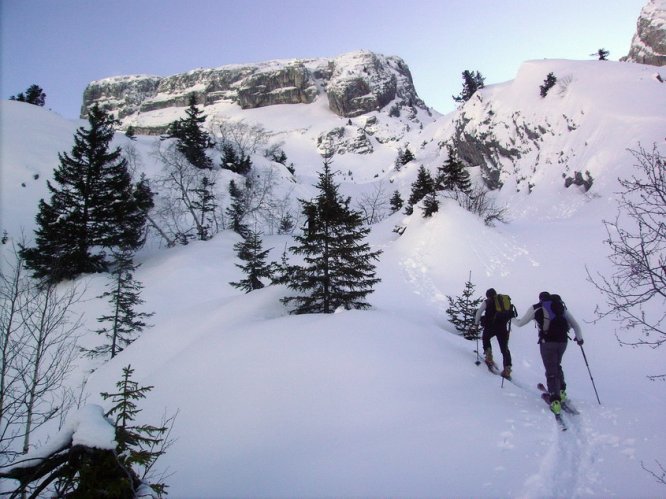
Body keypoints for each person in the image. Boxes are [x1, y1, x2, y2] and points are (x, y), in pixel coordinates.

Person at [513, 291, 583, 416]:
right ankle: (561, 391)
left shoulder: (536, 307)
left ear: (540, 299)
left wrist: (511, 318)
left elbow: (520, 323)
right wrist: (580, 339)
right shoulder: (560, 307)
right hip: (563, 342)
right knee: (557, 365)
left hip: (547, 343)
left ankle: (555, 400)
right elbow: (575, 325)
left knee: (551, 371)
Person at [474, 288, 512, 378]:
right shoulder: (503, 301)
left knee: (486, 338)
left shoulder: (487, 301)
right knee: (504, 348)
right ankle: (507, 368)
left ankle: (489, 357)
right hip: (502, 327)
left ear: (487, 295)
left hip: (490, 326)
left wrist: (476, 324)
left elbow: (479, 312)